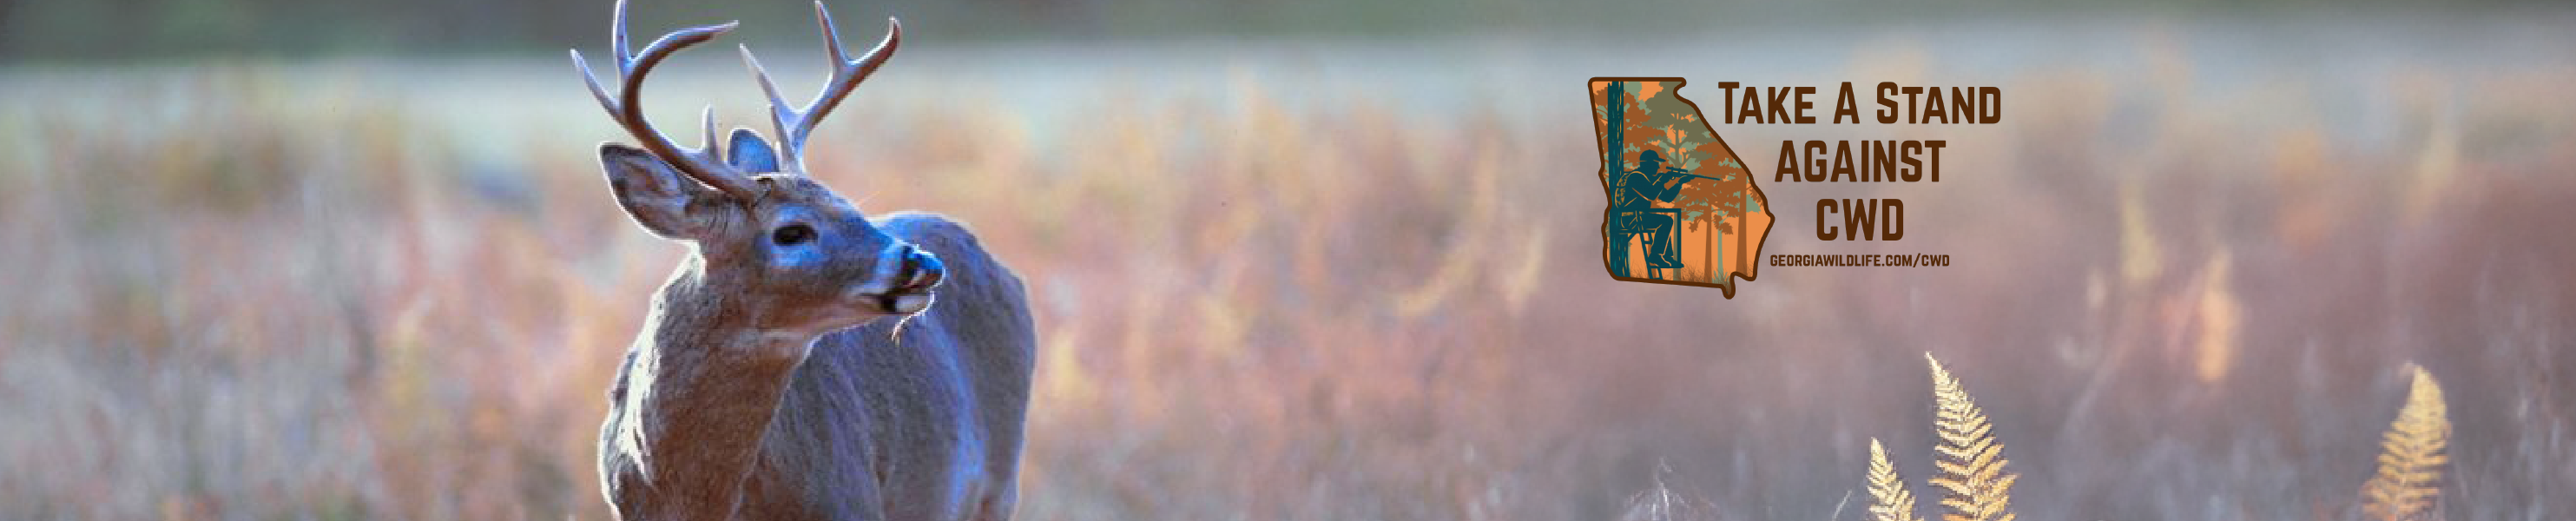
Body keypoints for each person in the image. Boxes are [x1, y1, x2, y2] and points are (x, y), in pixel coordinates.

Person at [1613, 149, 1703, 268]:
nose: (1658, 166)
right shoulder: (1635, 177)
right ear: (1648, 164)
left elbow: (1667, 197)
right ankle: (1656, 255)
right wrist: (1662, 180)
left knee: (1663, 223)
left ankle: (1667, 257)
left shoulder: (1648, 179)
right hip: (1629, 218)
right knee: (1666, 221)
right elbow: (1650, 195)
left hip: (1639, 216)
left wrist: (1679, 183)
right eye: (1656, 163)